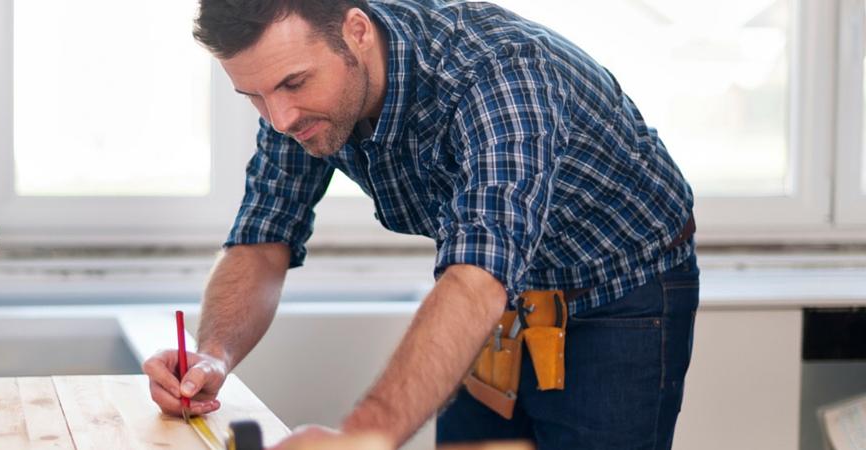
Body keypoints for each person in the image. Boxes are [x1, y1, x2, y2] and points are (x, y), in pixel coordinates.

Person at [142, 1, 700, 449]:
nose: (280, 118)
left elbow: (477, 277)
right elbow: (264, 234)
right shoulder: (293, 104)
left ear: (356, 31)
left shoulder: (499, 74)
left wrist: (365, 434)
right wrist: (212, 353)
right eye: (255, 97)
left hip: (618, 288)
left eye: (293, 84)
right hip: (500, 302)